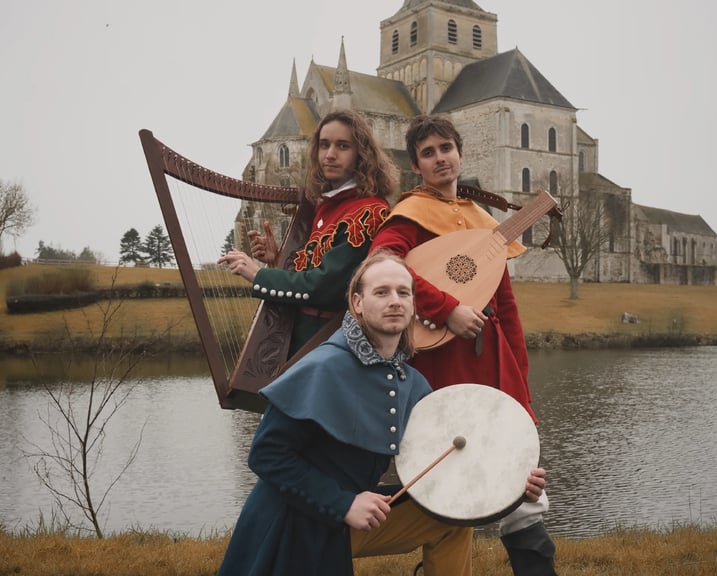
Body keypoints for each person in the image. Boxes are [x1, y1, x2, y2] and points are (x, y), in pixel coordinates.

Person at [369, 114, 558, 576]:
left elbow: (505, 306)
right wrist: (444, 308)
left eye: (446, 148)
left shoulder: (481, 220)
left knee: (521, 478)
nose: (440, 158)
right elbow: (383, 262)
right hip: (443, 366)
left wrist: (521, 383)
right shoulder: (410, 214)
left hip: (495, 361)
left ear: (460, 153)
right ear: (417, 165)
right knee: (451, 472)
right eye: (428, 153)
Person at [216, 251, 477, 576]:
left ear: (413, 305)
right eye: (381, 292)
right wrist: (343, 504)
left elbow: (445, 455)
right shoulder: (322, 367)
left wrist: (507, 482)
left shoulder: (413, 383)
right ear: (357, 303)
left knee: (451, 521)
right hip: (294, 520)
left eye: (403, 292)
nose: (394, 301)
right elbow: (266, 455)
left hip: (353, 512)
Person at [217, 109, 397, 356]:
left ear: (361, 155)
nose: (330, 155)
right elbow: (312, 269)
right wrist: (278, 259)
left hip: (334, 342)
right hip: (305, 334)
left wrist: (258, 274)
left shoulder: (369, 211)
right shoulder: (323, 205)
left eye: (342, 146)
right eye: (324, 145)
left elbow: (324, 287)